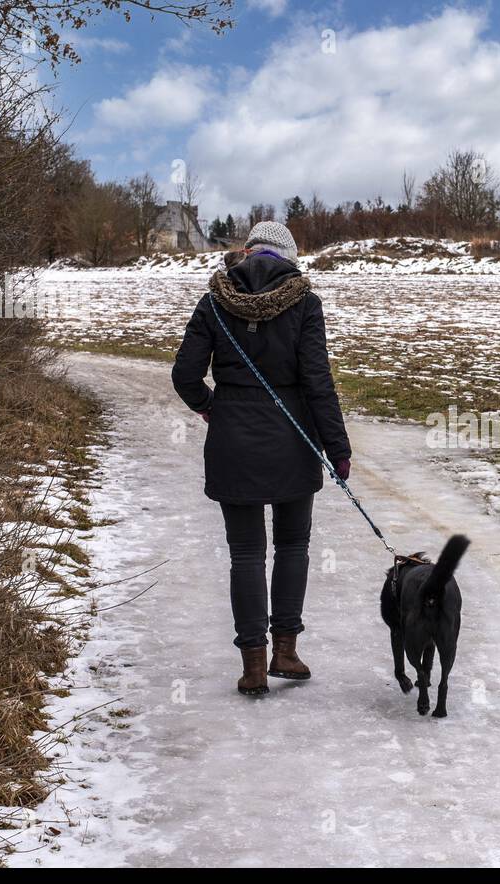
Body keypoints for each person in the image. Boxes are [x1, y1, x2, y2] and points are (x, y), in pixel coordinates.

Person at [172, 221, 351, 696]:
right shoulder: (305, 303)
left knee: (246, 553)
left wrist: (212, 406)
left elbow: (185, 374)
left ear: (247, 251)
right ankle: (285, 652)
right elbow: (318, 384)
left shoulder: (214, 299)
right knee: (293, 546)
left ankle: (252, 666)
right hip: (293, 438)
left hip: (233, 439)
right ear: (289, 257)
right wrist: (338, 449)